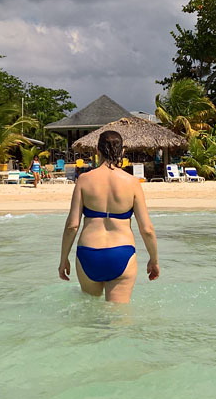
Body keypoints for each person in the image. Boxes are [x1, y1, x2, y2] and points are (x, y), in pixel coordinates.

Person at [58, 130, 159, 303]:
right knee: (119, 320)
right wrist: (154, 260)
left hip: (88, 254)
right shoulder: (132, 183)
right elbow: (147, 229)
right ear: (122, 151)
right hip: (122, 253)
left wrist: (63, 259)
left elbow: (72, 226)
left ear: (97, 150)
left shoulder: (84, 180)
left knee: (91, 317)